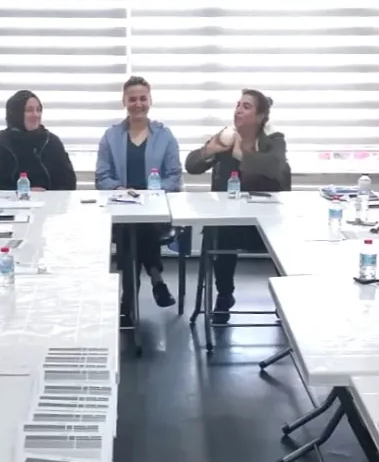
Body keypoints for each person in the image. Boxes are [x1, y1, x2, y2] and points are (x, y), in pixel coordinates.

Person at [184, 89, 291, 323]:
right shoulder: (226, 137)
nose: (238, 110)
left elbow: (276, 168)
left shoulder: (273, 141)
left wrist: (242, 155)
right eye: (238, 105)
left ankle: (283, 301)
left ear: (260, 117)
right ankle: (224, 295)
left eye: (246, 106)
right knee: (221, 231)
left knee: (281, 239)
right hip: (229, 223)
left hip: (264, 223)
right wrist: (209, 150)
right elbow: (191, 166)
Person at [96, 76, 183, 309]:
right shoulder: (111, 137)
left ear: (150, 101)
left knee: (137, 230)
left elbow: (174, 176)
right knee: (129, 228)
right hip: (122, 207)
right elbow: (102, 176)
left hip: (156, 209)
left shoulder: (165, 136)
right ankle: (156, 277)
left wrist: (154, 193)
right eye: (132, 99)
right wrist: (119, 189)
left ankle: (128, 298)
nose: (138, 104)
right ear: (124, 101)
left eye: (143, 98)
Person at [0, 90, 78, 192]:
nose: (36, 114)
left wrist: (48, 196)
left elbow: (68, 182)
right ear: (16, 113)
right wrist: (24, 192)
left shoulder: (51, 141)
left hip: (51, 200)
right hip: (11, 201)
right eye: (29, 110)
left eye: (38, 110)